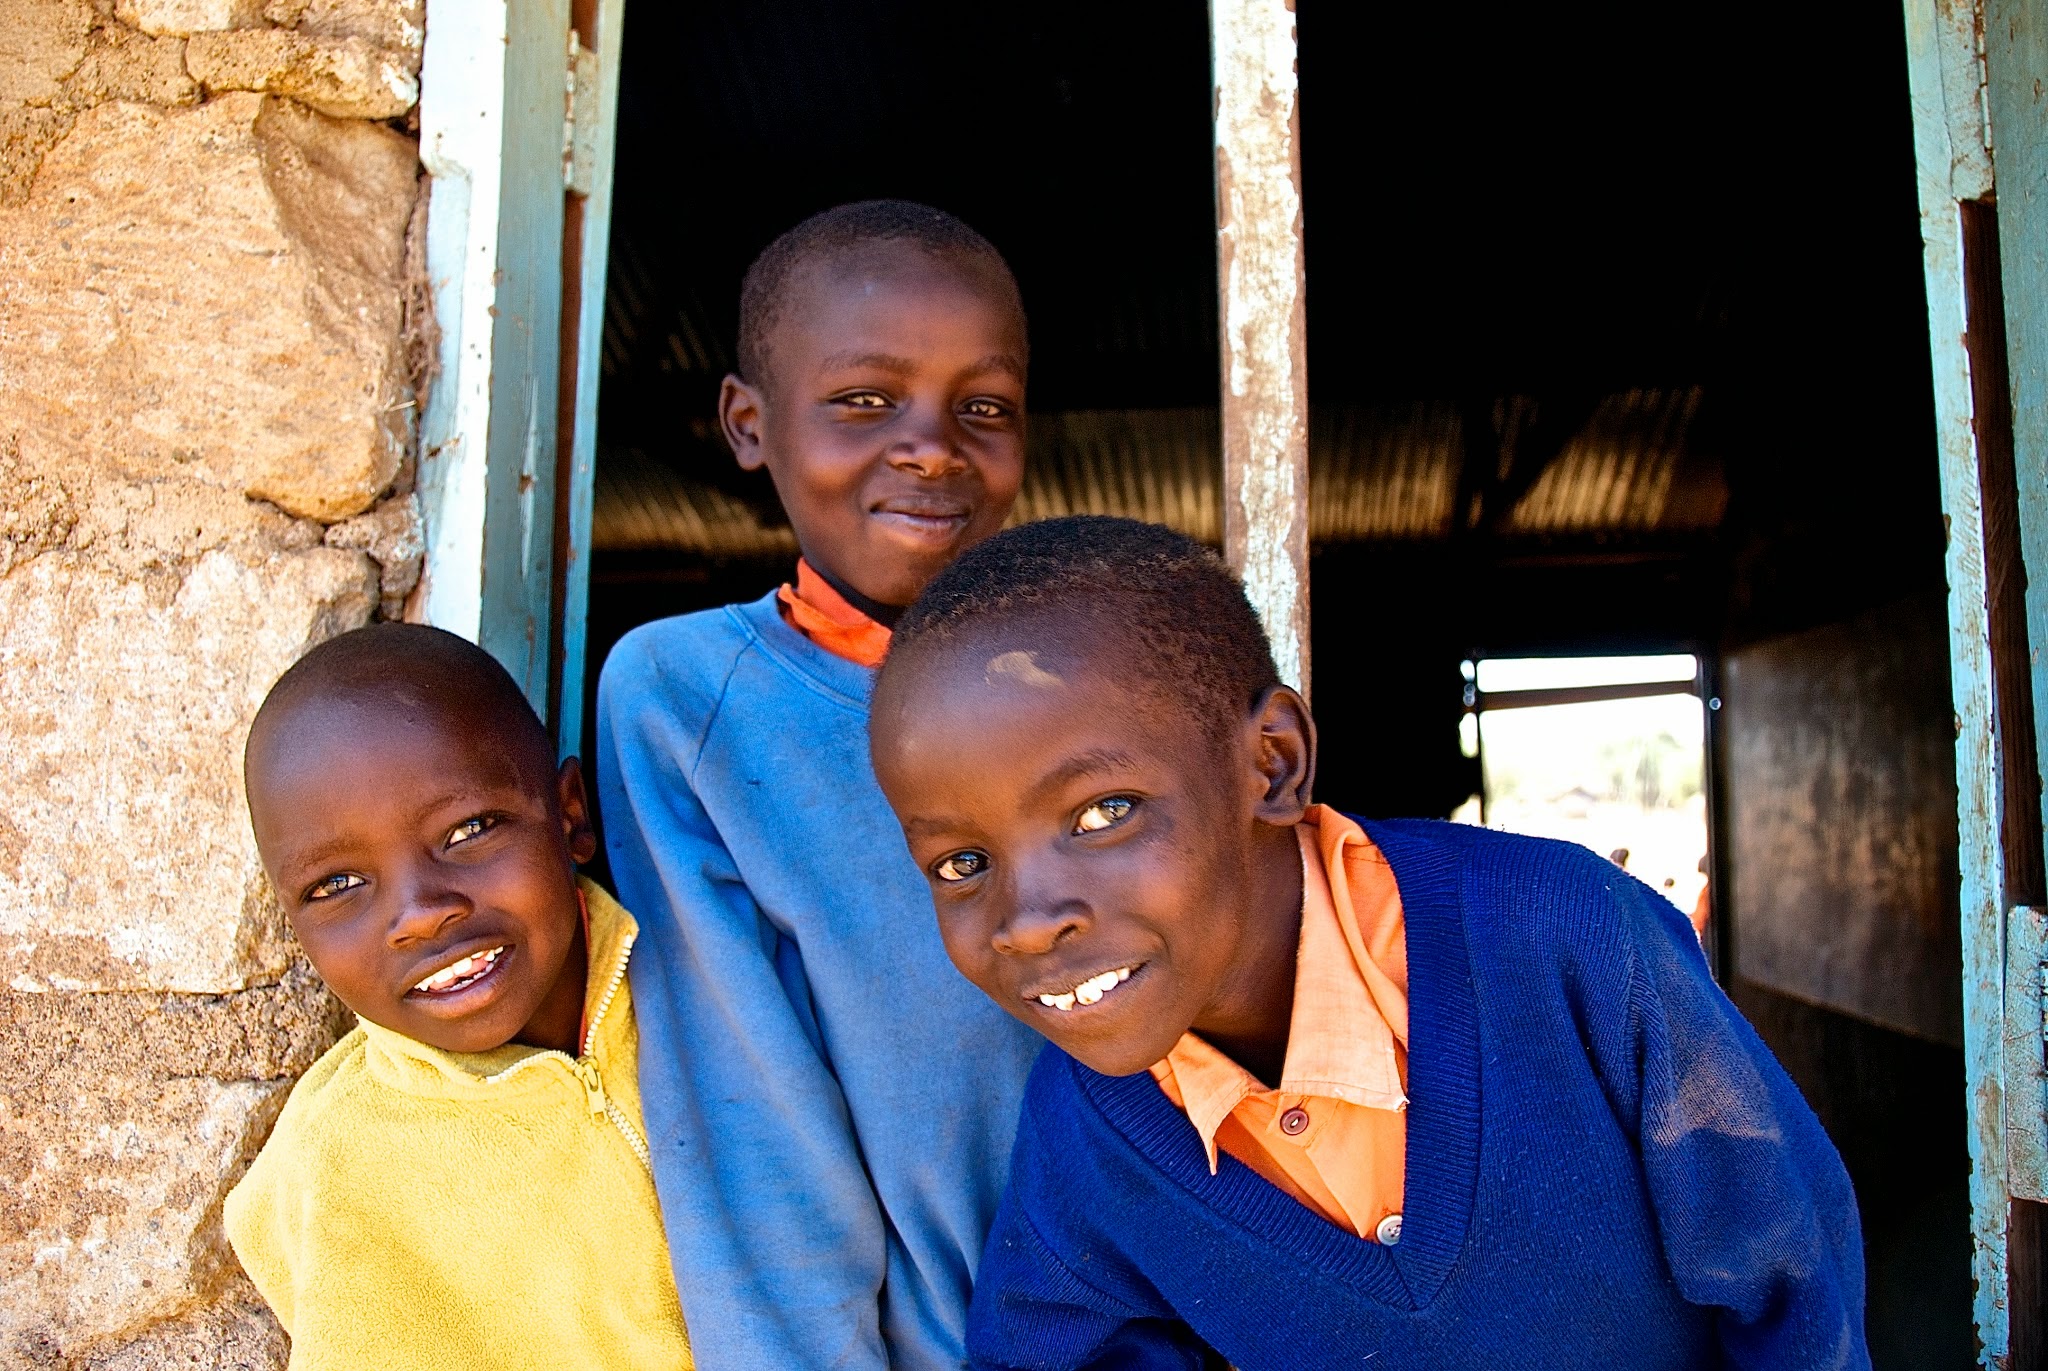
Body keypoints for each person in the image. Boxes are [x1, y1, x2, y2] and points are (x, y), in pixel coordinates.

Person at [868, 516, 1869, 1371]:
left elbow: (1792, 1282)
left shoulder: (1565, 938)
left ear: (1271, 764)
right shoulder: (1086, 1134)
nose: (1027, 917)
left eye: (1103, 812)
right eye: (960, 864)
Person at [595, 200, 1043, 1371]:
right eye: (863, 400)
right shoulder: (686, 700)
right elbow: (747, 1120)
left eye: (983, 406)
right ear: (748, 424)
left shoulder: (1094, 683)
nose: (932, 445)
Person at [224, 623, 691, 1371]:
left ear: (570, 815)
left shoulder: (711, 996)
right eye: (337, 884)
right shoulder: (336, 1171)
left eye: (468, 829)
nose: (420, 912)